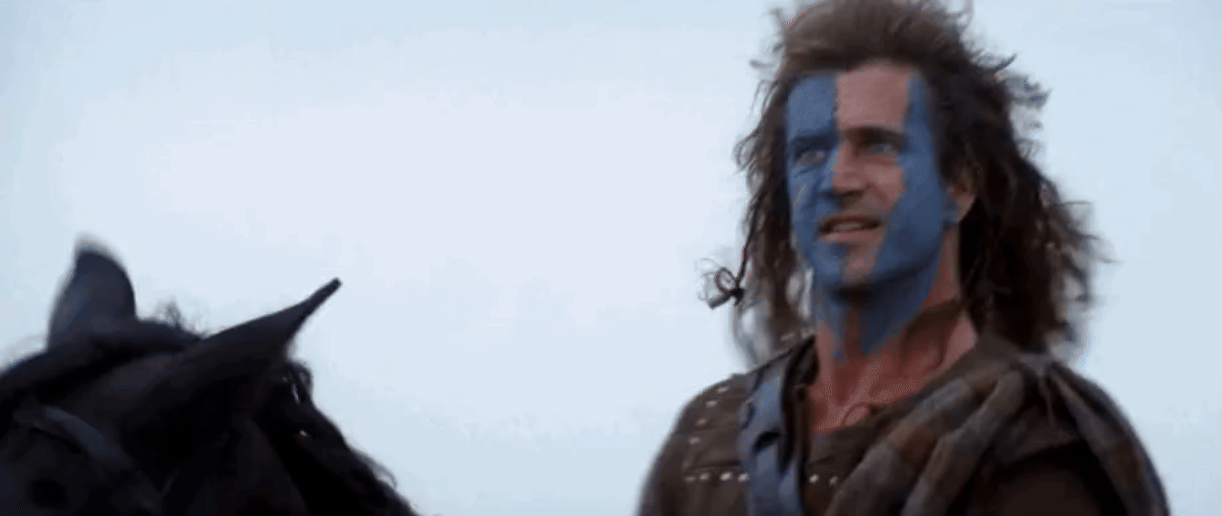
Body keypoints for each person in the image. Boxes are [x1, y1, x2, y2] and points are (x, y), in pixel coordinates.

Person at [635, 0, 1169, 514]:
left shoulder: (1034, 440)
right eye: (811, 152)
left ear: (957, 183)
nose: (838, 180)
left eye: (877, 146)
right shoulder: (708, 438)